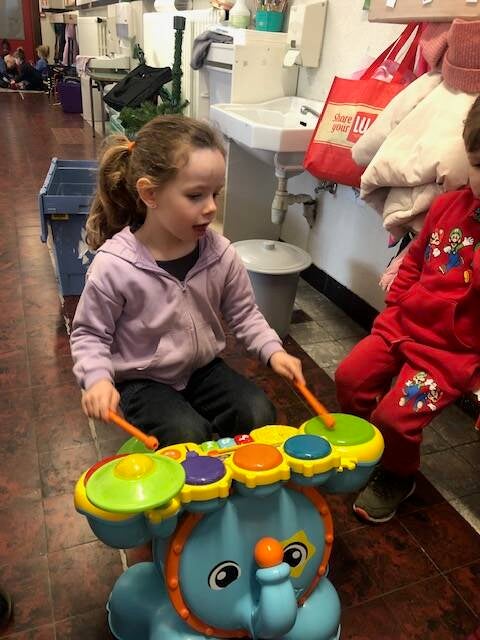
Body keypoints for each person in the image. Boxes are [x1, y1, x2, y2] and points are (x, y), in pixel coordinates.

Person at [70, 115, 305, 446]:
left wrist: (272, 350)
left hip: (201, 369)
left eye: (215, 194)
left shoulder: (220, 253)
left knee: (257, 413)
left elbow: (244, 313)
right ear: (150, 194)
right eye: (195, 196)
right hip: (142, 379)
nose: (210, 208)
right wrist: (96, 379)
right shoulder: (114, 265)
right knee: (186, 434)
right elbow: (90, 334)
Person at [335, 95, 480, 524]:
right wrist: (395, 308)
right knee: (350, 378)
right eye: (479, 165)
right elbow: (415, 260)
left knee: (396, 419)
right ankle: (371, 446)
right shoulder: (448, 206)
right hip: (402, 325)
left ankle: (398, 474)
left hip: (449, 356)